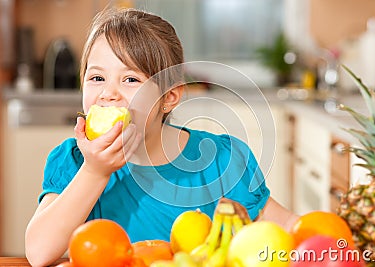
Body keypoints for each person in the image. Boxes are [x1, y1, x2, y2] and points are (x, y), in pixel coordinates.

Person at [25, 8, 299, 267]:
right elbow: (38, 252)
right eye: (97, 78)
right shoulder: (74, 162)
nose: (108, 94)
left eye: (130, 80)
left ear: (169, 97)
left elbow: (294, 231)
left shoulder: (219, 162)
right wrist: (95, 171)